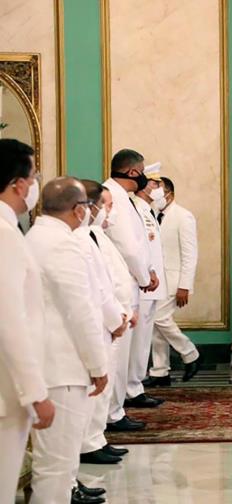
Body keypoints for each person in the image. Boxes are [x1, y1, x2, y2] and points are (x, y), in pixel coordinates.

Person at [26, 177, 109, 503]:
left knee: (53, 466)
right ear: (78, 210)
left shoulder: (37, 236)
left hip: (48, 365)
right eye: (88, 207)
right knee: (57, 470)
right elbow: (81, 309)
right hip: (62, 368)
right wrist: (98, 364)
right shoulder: (62, 244)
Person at [0, 139, 54, 503]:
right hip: (6, 391)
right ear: (20, 184)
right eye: (33, 176)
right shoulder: (4, 235)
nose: (34, 185)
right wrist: (35, 392)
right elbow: (9, 321)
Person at [76, 180, 131, 470]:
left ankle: (97, 438)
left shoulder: (96, 235)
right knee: (97, 384)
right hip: (101, 321)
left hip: (114, 318)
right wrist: (116, 316)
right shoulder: (81, 238)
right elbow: (97, 286)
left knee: (106, 382)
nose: (109, 210)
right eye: (105, 204)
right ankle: (90, 442)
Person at [103, 149, 158, 432]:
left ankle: (115, 408)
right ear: (134, 172)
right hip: (121, 285)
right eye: (143, 170)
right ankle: (113, 413)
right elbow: (129, 245)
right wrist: (144, 274)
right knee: (117, 356)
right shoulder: (117, 199)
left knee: (121, 357)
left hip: (127, 283)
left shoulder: (124, 198)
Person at [144, 176, 201, 387]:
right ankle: (160, 372)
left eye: (159, 191)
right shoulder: (152, 215)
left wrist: (185, 285)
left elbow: (190, 253)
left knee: (159, 318)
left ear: (170, 194)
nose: (155, 196)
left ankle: (191, 354)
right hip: (157, 280)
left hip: (175, 280)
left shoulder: (183, 216)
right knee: (156, 325)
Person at [126, 162, 169, 409]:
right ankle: (132, 388)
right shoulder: (135, 210)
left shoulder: (149, 210)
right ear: (144, 186)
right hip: (142, 284)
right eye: (155, 184)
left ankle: (136, 385)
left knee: (144, 341)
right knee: (138, 340)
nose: (158, 189)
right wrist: (145, 276)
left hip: (152, 286)